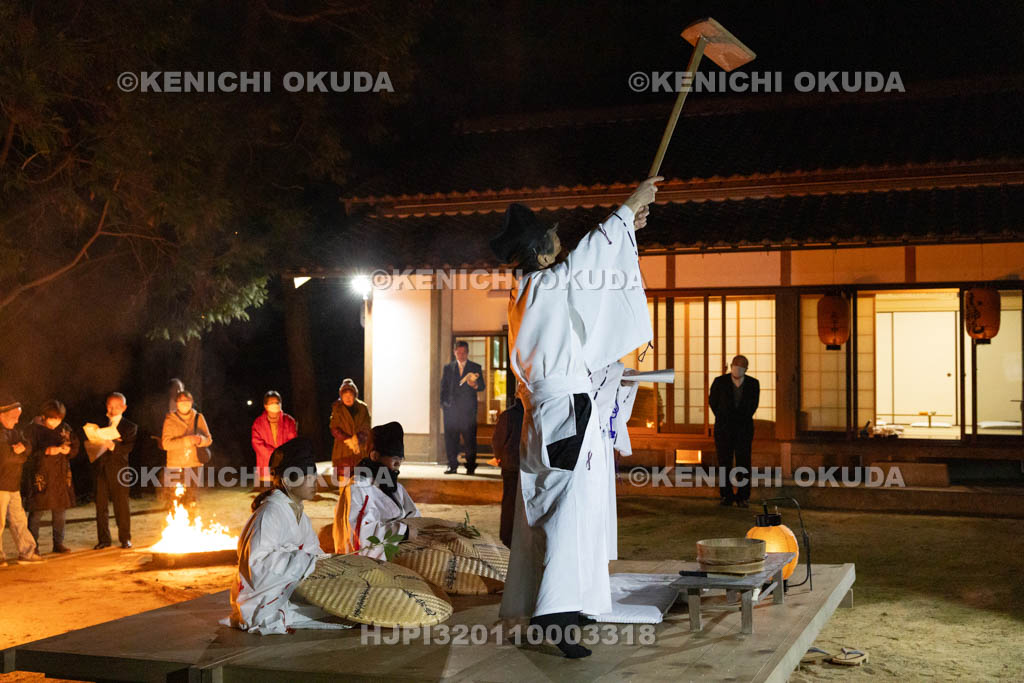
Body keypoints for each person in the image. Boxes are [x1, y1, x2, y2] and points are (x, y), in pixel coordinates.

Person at [489, 177, 658, 658]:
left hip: (548, 413)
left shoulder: (528, 291)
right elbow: (589, 262)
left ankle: (553, 607)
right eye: (553, 240)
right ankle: (559, 617)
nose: (560, 244)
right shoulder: (545, 286)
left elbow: (592, 266)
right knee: (565, 514)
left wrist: (627, 230)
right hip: (565, 413)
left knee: (549, 511)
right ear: (540, 252)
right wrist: (627, 210)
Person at [227, 437, 339, 635]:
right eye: (308, 476)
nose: (316, 481)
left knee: (337, 605)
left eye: (315, 475)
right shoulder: (270, 513)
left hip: (289, 587)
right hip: (264, 596)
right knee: (331, 614)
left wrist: (332, 565)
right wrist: (305, 561)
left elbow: (313, 552)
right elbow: (257, 566)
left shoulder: (300, 515)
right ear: (287, 481)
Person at [333, 421, 420, 558]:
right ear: (374, 456)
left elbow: (414, 517)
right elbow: (358, 537)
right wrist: (403, 533)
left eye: (400, 461)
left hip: (395, 556)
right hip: (363, 564)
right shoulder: (357, 487)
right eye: (394, 460)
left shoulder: (396, 488)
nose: (398, 466)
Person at [26, 400, 80, 553]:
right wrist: (46, 451)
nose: (55, 422)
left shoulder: (65, 428)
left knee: (60, 512)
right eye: (52, 418)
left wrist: (67, 450)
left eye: (59, 418)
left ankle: (58, 543)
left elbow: (75, 446)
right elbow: (27, 453)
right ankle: (32, 546)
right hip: (42, 475)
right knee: (37, 512)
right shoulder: (34, 429)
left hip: (61, 475)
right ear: (44, 416)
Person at [709, 355, 760, 507]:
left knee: (743, 462)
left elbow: (753, 405)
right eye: (735, 364)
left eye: (741, 365)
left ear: (746, 368)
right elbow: (713, 402)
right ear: (731, 366)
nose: (737, 368)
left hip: (744, 428)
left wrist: (740, 418)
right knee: (724, 461)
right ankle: (726, 495)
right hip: (723, 427)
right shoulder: (720, 382)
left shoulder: (753, 383)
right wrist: (723, 416)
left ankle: (743, 496)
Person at [0, 395, 44, 564]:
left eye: (18, 417)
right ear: (1, 415)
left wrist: (22, 450)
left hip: (12, 485)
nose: (17, 421)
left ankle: (27, 551)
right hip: (1, 485)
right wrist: (21, 454)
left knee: (19, 520)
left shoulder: (14, 432)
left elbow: (28, 446)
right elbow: (5, 458)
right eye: (14, 417)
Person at [93, 392, 138, 549]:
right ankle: (104, 540)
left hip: (119, 469)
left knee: (121, 505)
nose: (113, 409)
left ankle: (125, 538)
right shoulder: (100, 423)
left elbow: (128, 447)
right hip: (101, 468)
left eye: (117, 406)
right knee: (101, 506)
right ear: (106, 406)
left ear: (124, 407)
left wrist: (113, 445)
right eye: (110, 406)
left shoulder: (129, 426)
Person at [161, 390, 211, 511]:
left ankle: (192, 525)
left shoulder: (198, 417)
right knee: (175, 499)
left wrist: (200, 440)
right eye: (181, 401)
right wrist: (186, 441)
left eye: (187, 401)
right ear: (176, 403)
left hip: (194, 464)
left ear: (192, 402)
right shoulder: (170, 419)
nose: (184, 404)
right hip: (175, 465)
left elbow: (209, 439)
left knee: (191, 499)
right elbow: (166, 444)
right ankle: (175, 525)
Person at [440, 341, 485, 474]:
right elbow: (443, 388)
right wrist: (444, 405)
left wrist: (475, 385)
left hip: (468, 411)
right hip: (451, 410)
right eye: (458, 352)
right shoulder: (448, 368)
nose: (461, 355)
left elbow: (482, 386)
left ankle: (470, 466)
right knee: (450, 438)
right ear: (454, 352)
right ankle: (452, 465)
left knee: (470, 439)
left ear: (467, 353)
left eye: (463, 352)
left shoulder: (475, 367)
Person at [491, 397, 524, 547]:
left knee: (510, 501)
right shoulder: (537, 412)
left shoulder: (508, 415)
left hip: (511, 464)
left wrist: (499, 456)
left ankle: (507, 536)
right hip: (528, 465)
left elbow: (498, 440)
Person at [251, 390, 298, 488]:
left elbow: (292, 441)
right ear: (265, 405)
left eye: (277, 403)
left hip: (285, 465)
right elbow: (257, 443)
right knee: (267, 498)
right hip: (266, 467)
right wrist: (274, 455)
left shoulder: (289, 421)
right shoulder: (258, 423)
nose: (275, 405)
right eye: (271, 403)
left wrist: (282, 455)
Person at [329, 379, 371, 478]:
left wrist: (357, 439)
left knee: (361, 480)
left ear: (355, 395)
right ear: (341, 396)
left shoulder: (362, 408)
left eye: (350, 395)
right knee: (344, 481)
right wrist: (348, 440)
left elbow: (366, 427)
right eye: (345, 395)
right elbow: (334, 427)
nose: (348, 398)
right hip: (342, 451)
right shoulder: (337, 408)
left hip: (359, 450)